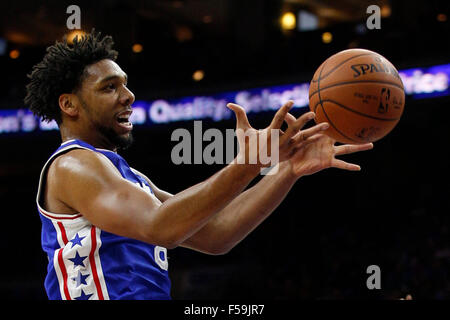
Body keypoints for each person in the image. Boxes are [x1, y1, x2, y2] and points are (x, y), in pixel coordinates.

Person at [25, 30, 373, 300]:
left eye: (126, 85)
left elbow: (217, 235)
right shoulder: (73, 166)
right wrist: (249, 162)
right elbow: (161, 228)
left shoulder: (125, 175)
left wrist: (286, 170)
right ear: (69, 105)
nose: (128, 95)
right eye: (110, 87)